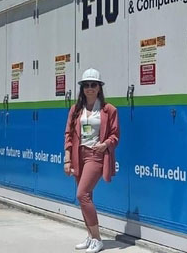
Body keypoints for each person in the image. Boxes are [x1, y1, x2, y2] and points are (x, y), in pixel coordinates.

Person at [64, 68, 120, 253]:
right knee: (85, 198)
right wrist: (67, 158)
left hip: (95, 155)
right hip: (78, 156)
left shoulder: (108, 109)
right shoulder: (76, 109)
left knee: (82, 194)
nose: (89, 88)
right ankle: (90, 236)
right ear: (82, 88)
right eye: (86, 85)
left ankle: (97, 239)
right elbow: (69, 135)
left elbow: (115, 135)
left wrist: (105, 144)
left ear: (99, 88)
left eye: (93, 85)